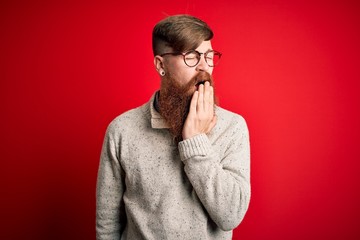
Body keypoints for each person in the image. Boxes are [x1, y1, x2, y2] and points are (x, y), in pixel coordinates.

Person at [96, 14, 250, 240]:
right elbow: (107, 223)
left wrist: (195, 141)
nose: (204, 67)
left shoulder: (232, 127)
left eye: (209, 56)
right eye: (191, 56)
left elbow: (230, 216)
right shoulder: (122, 130)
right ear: (161, 64)